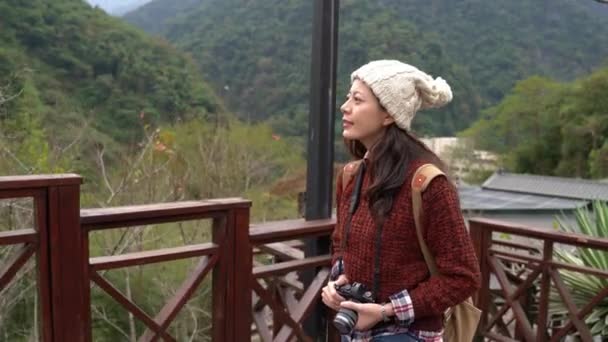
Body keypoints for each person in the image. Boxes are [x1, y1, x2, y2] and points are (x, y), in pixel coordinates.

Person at [321, 60, 481, 342]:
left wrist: (387, 311)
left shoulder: (427, 183)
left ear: (388, 115)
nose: (345, 107)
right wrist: (336, 281)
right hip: (355, 334)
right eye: (348, 97)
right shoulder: (350, 176)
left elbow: (463, 276)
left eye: (358, 100)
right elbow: (341, 245)